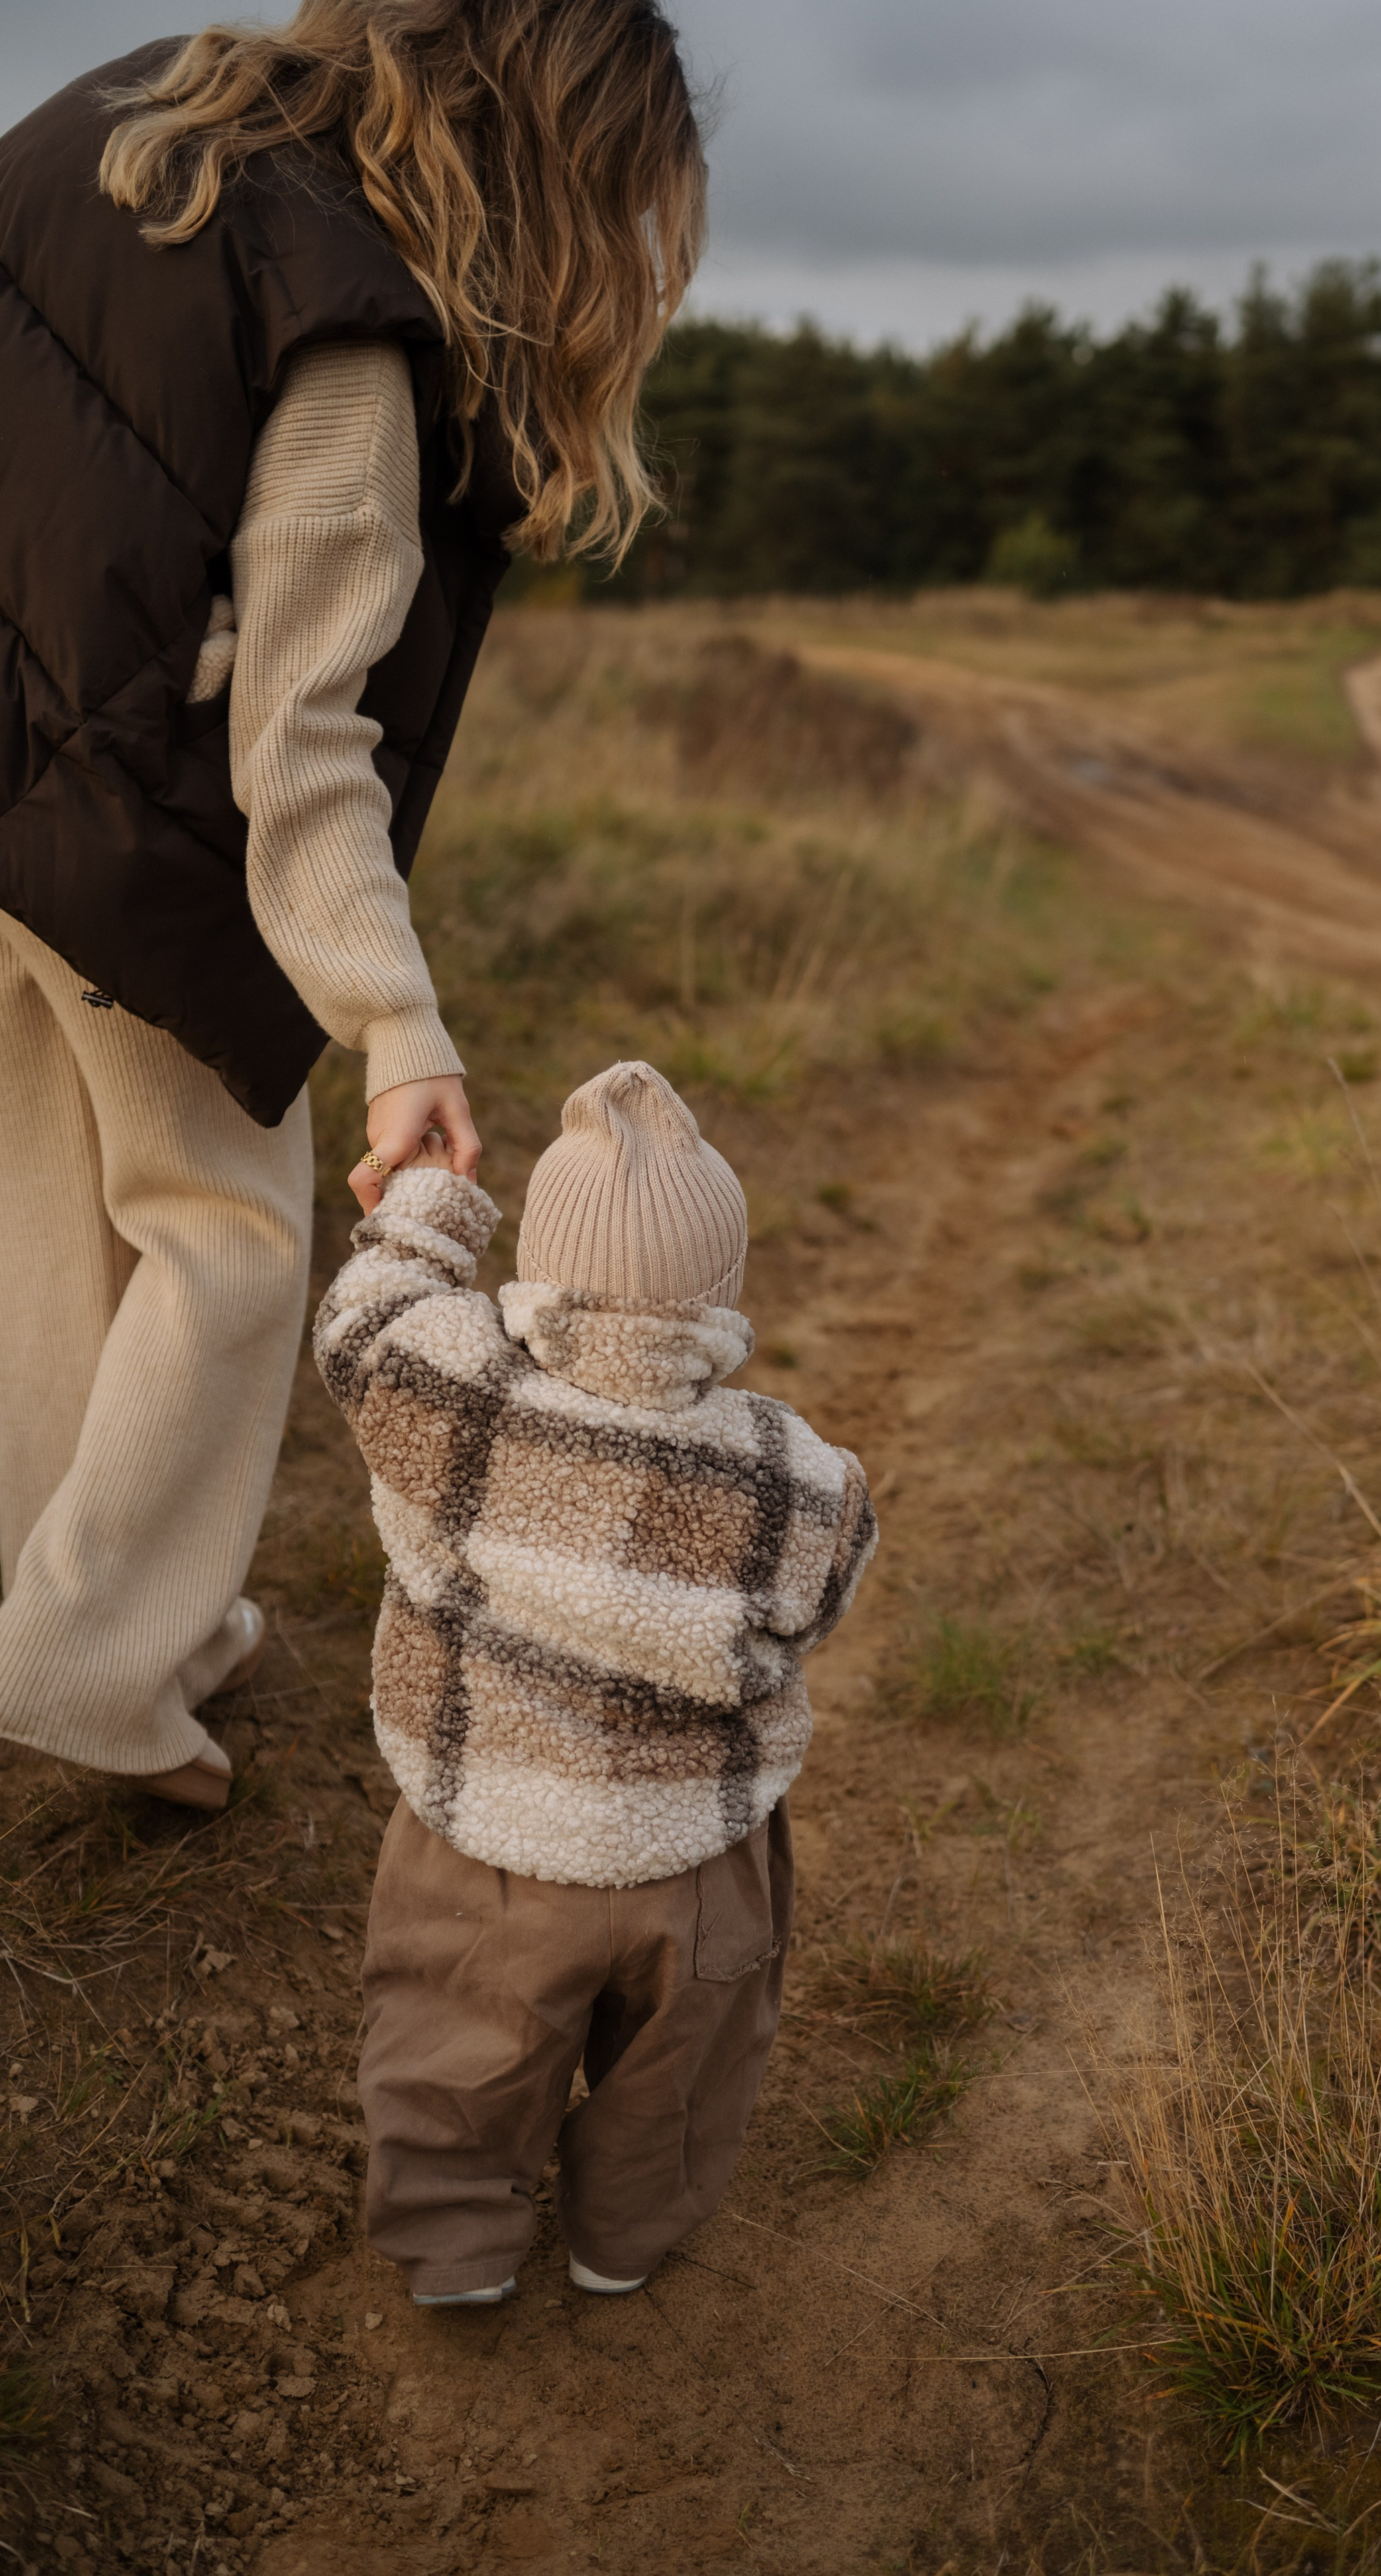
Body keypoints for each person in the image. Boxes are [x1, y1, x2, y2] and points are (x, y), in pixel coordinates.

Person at [0, 4, 705, 1811]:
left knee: (38, 1227)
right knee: (224, 1242)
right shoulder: (344, 310)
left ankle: (87, 1618)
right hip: (131, 839)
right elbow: (298, 741)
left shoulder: (112, 131)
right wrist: (400, 1027)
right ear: (549, 155)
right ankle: (90, 1678)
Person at [311, 1061, 876, 2303]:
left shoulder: (453, 1394)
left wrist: (428, 1204)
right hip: (700, 1858)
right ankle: (620, 2240)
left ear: (537, 1280)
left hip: (485, 1846)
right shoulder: (793, 1473)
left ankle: (456, 2246)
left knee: (456, 2048)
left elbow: (363, 1322)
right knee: (684, 2072)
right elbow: (819, 1606)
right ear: (718, 1298)